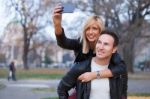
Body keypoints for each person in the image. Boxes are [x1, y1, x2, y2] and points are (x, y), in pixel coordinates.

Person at [53, 3, 126, 82]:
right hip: (83, 89)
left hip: (103, 87)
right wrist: (57, 24)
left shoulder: (106, 46)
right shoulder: (80, 43)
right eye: (88, 29)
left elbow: (121, 69)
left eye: (94, 28)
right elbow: (63, 42)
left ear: (100, 31)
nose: (90, 32)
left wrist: (93, 75)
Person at [57, 30, 128, 99]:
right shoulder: (81, 68)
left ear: (114, 49)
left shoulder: (119, 71)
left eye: (106, 44)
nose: (101, 47)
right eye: (99, 42)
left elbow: (123, 93)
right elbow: (61, 89)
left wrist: (94, 75)